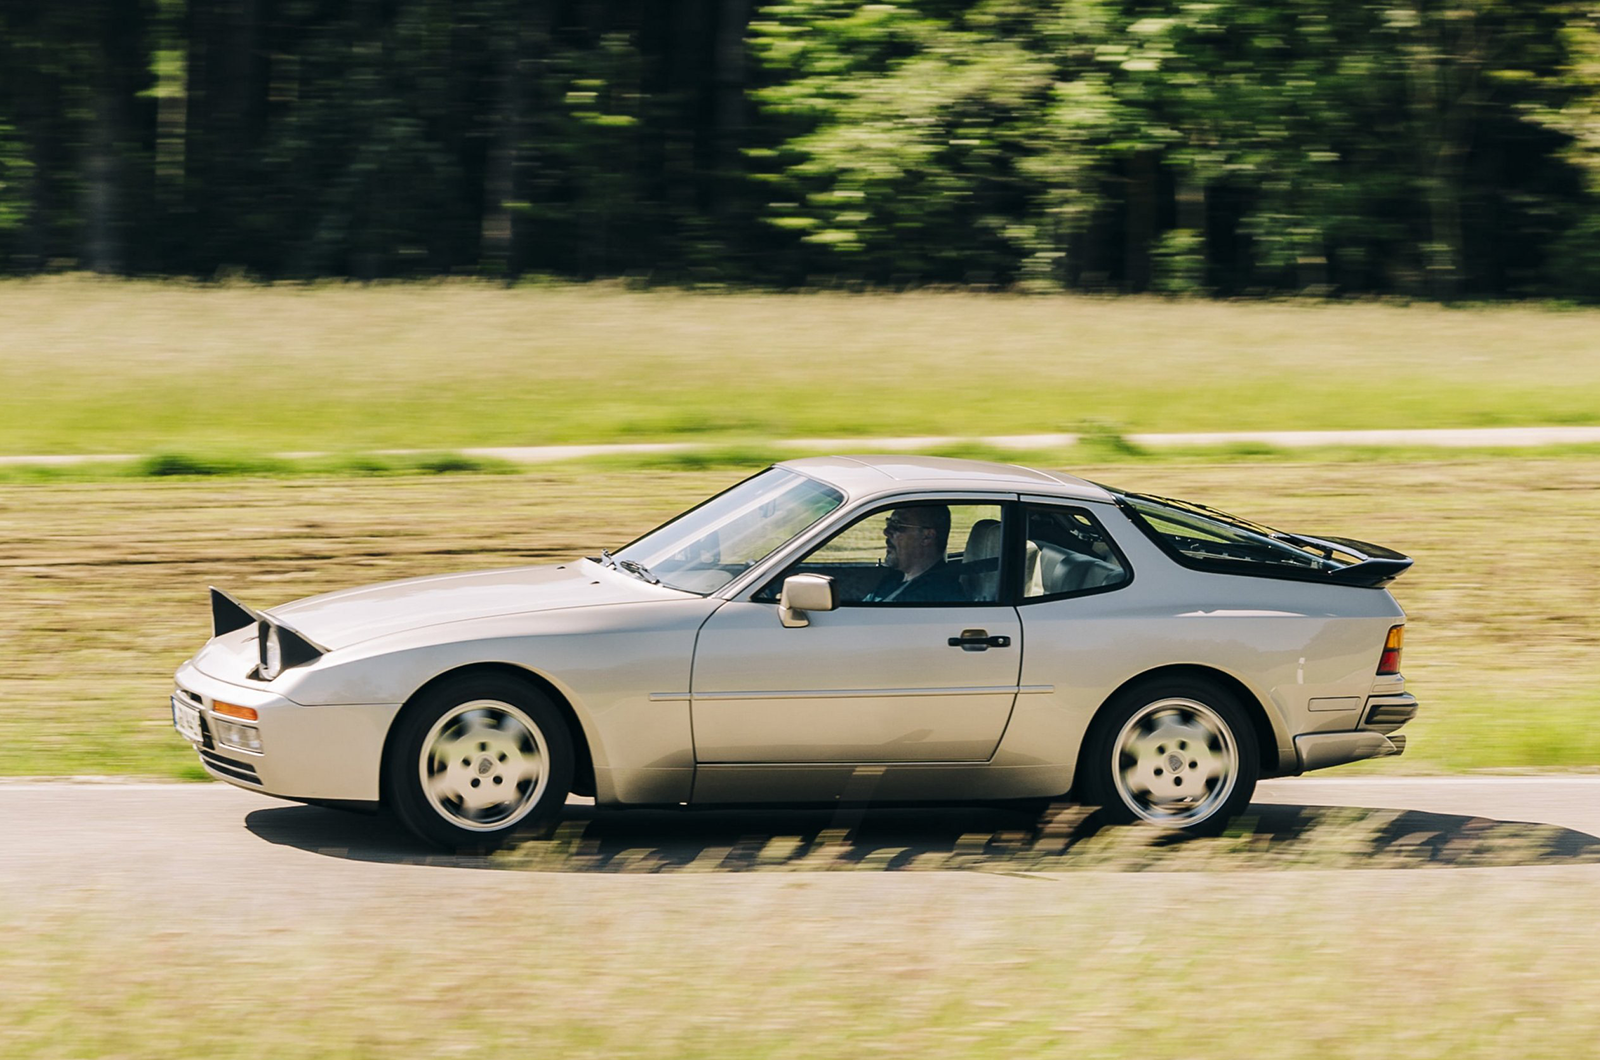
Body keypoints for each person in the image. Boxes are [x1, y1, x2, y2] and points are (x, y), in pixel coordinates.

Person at [862, 506, 968, 603]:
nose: (886, 531)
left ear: (927, 537)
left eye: (897, 525)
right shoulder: (893, 580)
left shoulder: (939, 595)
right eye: (889, 523)